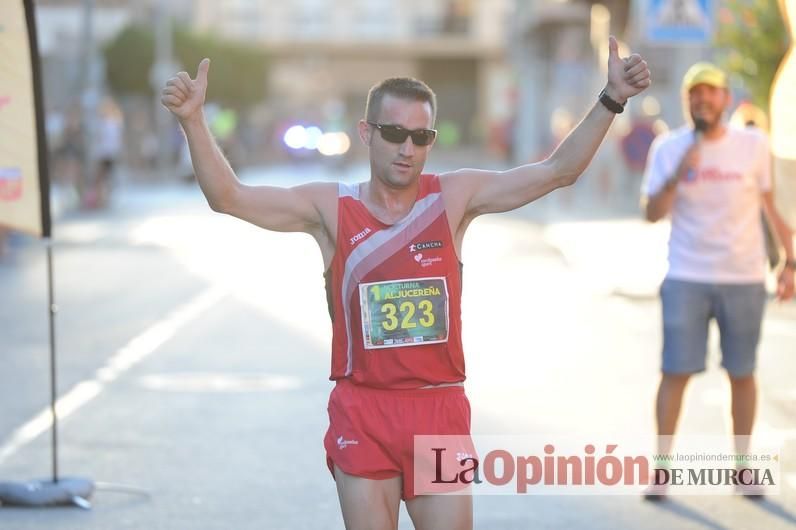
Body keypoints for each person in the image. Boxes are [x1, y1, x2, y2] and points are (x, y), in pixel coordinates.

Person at [161, 37, 650, 529]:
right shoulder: (332, 209)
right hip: (363, 408)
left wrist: (612, 98)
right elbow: (229, 197)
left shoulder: (454, 198)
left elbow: (557, 172)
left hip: (438, 409)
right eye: (395, 132)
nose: (407, 148)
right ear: (366, 132)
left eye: (422, 137)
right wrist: (193, 121)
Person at [641, 62, 795, 499]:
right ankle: (662, 469)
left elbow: (771, 204)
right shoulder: (669, 148)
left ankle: (743, 468)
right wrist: (681, 169)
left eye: (711, 92)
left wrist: (790, 261)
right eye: (695, 94)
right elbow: (650, 213)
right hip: (686, 276)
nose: (703, 100)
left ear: (726, 99)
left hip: (743, 277)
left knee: (742, 373)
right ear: (686, 101)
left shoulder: (753, 145)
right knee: (675, 372)